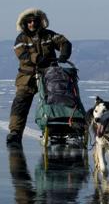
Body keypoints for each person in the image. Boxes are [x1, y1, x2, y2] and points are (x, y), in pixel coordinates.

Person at [7, 8, 72, 146]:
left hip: (50, 75)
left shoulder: (49, 35)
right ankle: (15, 133)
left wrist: (64, 54)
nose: (32, 24)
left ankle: (59, 129)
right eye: (29, 21)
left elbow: (64, 42)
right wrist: (38, 58)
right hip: (27, 76)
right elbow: (22, 55)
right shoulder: (21, 39)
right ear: (25, 23)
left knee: (57, 100)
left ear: (40, 21)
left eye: (34, 21)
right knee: (20, 102)